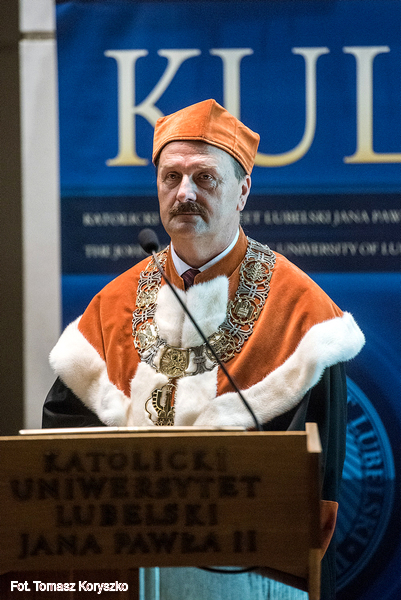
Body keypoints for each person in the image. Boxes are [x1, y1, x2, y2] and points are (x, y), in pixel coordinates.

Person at [43, 99, 365, 599]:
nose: (184, 193)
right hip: (127, 576)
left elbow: (310, 490)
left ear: (243, 191)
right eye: (171, 177)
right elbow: (62, 457)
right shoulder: (110, 307)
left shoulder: (303, 315)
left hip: (247, 582)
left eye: (205, 178)